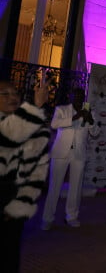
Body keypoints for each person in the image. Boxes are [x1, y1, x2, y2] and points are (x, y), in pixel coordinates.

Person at [0, 78, 51, 273]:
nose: (12, 97)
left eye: (15, 93)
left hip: (13, 208)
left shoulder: (36, 128)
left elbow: (39, 171)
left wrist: (20, 204)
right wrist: (35, 106)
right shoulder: (18, 124)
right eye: (5, 94)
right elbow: (8, 137)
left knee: (9, 259)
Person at [41, 88, 100, 230]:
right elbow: (54, 124)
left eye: (81, 95)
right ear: (70, 95)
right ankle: (48, 218)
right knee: (55, 186)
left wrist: (90, 120)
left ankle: (71, 216)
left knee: (76, 187)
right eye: (76, 95)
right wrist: (74, 117)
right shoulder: (61, 109)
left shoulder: (89, 111)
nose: (79, 97)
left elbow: (96, 133)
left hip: (79, 154)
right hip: (61, 153)